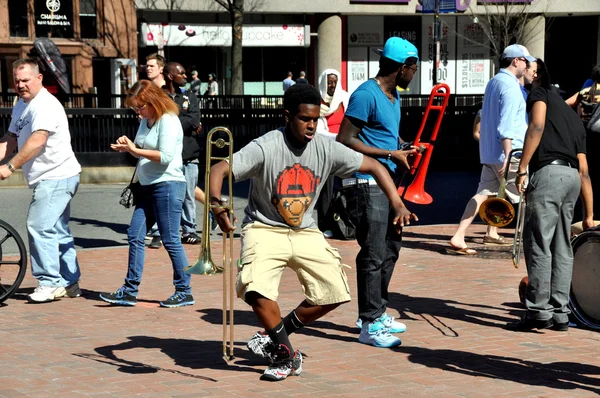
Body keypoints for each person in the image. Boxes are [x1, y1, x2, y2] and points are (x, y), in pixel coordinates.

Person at [209, 84, 417, 381]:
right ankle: (285, 354)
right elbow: (219, 169)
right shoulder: (266, 146)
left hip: (305, 230)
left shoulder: (325, 147)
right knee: (256, 289)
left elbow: (373, 166)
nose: (311, 125)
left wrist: (397, 204)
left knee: (334, 292)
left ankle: (274, 335)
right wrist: (217, 207)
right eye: (305, 119)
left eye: (316, 119)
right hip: (264, 227)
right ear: (287, 116)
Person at [337, 36, 419, 347]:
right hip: (365, 183)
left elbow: (383, 134)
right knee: (372, 253)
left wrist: (402, 148)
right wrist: (388, 155)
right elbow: (345, 139)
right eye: (412, 68)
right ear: (401, 68)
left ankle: (376, 311)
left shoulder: (392, 96)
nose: (414, 74)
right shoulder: (366, 94)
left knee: (391, 249)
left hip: (387, 182)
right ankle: (369, 325)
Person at [509, 58, 594, 331]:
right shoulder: (575, 119)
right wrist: (589, 213)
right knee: (562, 246)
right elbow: (584, 171)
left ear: (537, 75)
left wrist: (522, 168)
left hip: (548, 173)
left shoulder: (540, 91)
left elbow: (536, 125)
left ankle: (538, 311)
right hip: (571, 179)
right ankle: (560, 312)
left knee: (538, 242)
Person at [100, 80, 194, 308]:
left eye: (140, 107)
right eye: (135, 108)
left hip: (168, 185)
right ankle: (129, 290)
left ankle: (184, 290)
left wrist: (134, 149)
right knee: (135, 234)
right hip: (147, 185)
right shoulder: (146, 120)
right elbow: (142, 149)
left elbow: (165, 156)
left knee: (171, 238)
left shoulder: (169, 120)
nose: (138, 112)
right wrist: (129, 145)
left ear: (153, 101)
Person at [0, 58, 82, 303]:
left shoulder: (45, 104)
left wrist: (11, 166)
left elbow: (38, 140)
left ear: (39, 78)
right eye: (17, 80)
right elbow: (10, 138)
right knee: (57, 230)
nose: (21, 85)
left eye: (25, 80)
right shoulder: (22, 104)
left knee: (39, 225)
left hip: (56, 175)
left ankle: (49, 282)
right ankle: (69, 282)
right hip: (51, 177)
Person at [448, 44, 535, 255]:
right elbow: (506, 126)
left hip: (490, 153)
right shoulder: (511, 87)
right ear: (516, 61)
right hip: (510, 152)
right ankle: (528, 238)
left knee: (482, 194)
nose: (528, 65)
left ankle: (459, 235)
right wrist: (507, 156)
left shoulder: (494, 82)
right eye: (525, 60)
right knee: (527, 195)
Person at [315, 68, 350, 236]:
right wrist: (338, 137)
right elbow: (318, 130)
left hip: (346, 146)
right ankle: (326, 225)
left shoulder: (345, 98)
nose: (332, 85)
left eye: (335, 82)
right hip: (326, 149)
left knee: (348, 186)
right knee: (326, 189)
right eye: (329, 82)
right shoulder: (317, 101)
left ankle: (348, 223)